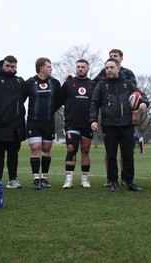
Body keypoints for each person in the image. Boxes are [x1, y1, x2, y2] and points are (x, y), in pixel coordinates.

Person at [89, 58, 149, 192]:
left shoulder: (127, 84)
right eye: (107, 68)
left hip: (127, 125)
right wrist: (93, 120)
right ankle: (113, 181)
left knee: (128, 155)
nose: (109, 70)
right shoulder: (101, 85)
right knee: (111, 155)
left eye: (111, 67)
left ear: (118, 68)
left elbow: (142, 96)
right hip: (109, 125)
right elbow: (94, 103)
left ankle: (129, 182)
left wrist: (144, 103)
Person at [0, 55, 26, 189]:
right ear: (3, 65)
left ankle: (13, 179)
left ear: (16, 67)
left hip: (17, 125)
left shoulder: (20, 81)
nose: (9, 68)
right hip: (0, 124)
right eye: (7, 65)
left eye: (12, 66)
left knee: (14, 153)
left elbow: (24, 97)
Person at [22, 57, 61, 190]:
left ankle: (44, 177)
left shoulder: (55, 83)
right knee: (35, 147)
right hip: (33, 121)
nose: (51, 68)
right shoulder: (30, 83)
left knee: (46, 149)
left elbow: (59, 100)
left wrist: (50, 111)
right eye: (49, 66)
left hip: (49, 121)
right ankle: (36, 178)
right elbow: (21, 99)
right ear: (41, 68)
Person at [58, 59, 95, 189]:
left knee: (85, 150)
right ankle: (68, 180)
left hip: (87, 123)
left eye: (83, 67)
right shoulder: (68, 84)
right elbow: (60, 100)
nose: (80, 69)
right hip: (71, 123)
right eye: (78, 67)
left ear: (87, 69)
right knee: (71, 149)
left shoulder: (93, 84)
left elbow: (96, 104)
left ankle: (85, 179)